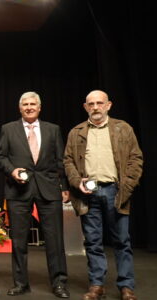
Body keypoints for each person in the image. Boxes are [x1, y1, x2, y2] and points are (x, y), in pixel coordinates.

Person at [63, 90, 143, 300]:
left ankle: (126, 286)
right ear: (85, 107)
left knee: (122, 241)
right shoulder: (76, 132)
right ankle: (97, 285)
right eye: (91, 104)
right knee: (92, 241)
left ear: (108, 105)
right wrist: (76, 181)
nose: (96, 107)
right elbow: (68, 161)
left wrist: (128, 185)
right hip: (88, 193)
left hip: (115, 191)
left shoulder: (123, 129)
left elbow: (136, 159)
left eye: (100, 103)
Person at [0, 92, 70, 298]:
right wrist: (12, 171)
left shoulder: (53, 129)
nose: (29, 107)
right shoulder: (8, 129)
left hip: (49, 189)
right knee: (19, 241)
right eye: (25, 105)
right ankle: (20, 283)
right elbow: (0, 156)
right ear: (20, 108)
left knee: (55, 239)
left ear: (39, 107)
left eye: (33, 104)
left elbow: (60, 160)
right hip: (17, 190)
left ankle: (59, 283)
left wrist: (63, 186)